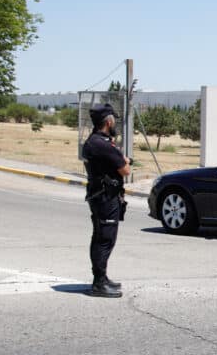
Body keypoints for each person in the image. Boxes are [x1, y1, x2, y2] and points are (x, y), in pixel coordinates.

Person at [82, 103, 131, 298]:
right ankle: (99, 283)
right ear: (108, 121)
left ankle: (102, 277)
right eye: (114, 121)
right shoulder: (102, 144)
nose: (115, 124)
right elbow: (125, 170)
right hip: (104, 197)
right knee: (104, 239)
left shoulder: (94, 142)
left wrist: (120, 159)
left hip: (101, 195)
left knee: (102, 237)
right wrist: (124, 160)